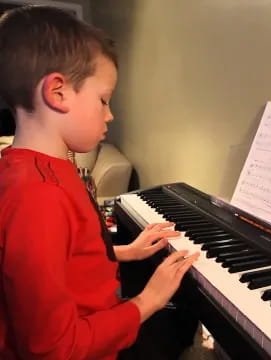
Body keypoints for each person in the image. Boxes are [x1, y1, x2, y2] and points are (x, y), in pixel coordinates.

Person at [0, 5, 199, 360]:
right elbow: (53, 350)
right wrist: (146, 300)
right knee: (179, 322)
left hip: (96, 324)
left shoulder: (40, 171)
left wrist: (126, 252)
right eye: (103, 100)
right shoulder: (37, 198)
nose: (110, 114)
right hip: (87, 348)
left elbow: (64, 257)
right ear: (57, 93)